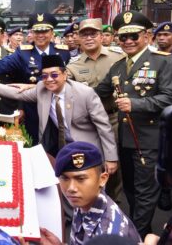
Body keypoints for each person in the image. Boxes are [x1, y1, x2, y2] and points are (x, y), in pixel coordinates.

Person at [95, 10, 172, 238]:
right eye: (123, 37)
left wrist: (136, 104)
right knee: (131, 190)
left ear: (147, 36)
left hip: (149, 140)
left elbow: (171, 98)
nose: (129, 41)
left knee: (145, 193)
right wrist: (61, 85)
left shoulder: (163, 62)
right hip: (125, 139)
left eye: (134, 36)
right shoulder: (118, 66)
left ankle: (136, 235)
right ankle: (141, 232)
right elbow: (96, 93)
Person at [0, 54, 118, 173]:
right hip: (62, 149)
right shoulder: (42, 89)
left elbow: (104, 127)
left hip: (87, 148)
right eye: (44, 76)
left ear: (65, 75)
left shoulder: (85, 93)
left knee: (90, 190)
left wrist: (111, 158)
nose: (49, 79)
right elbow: (18, 94)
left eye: (54, 75)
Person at [0, 13, 71, 144]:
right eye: (36, 31)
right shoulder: (23, 53)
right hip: (32, 107)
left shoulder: (63, 52)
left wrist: (33, 86)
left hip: (58, 105)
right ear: (31, 32)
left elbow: (69, 80)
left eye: (44, 31)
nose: (40, 35)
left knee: (61, 141)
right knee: (34, 142)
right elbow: (1, 65)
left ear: (52, 32)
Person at [66, 18, 125, 203]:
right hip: (88, 124)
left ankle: (113, 204)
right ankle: (93, 203)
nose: (89, 38)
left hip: (114, 118)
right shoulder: (73, 65)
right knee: (89, 165)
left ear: (101, 36)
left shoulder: (119, 57)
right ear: (78, 38)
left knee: (114, 166)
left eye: (93, 34)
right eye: (84, 34)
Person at [54, 142, 141, 244]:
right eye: (65, 178)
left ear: (103, 179)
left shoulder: (110, 234)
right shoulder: (84, 201)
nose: (71, 188)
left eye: (81, 179)